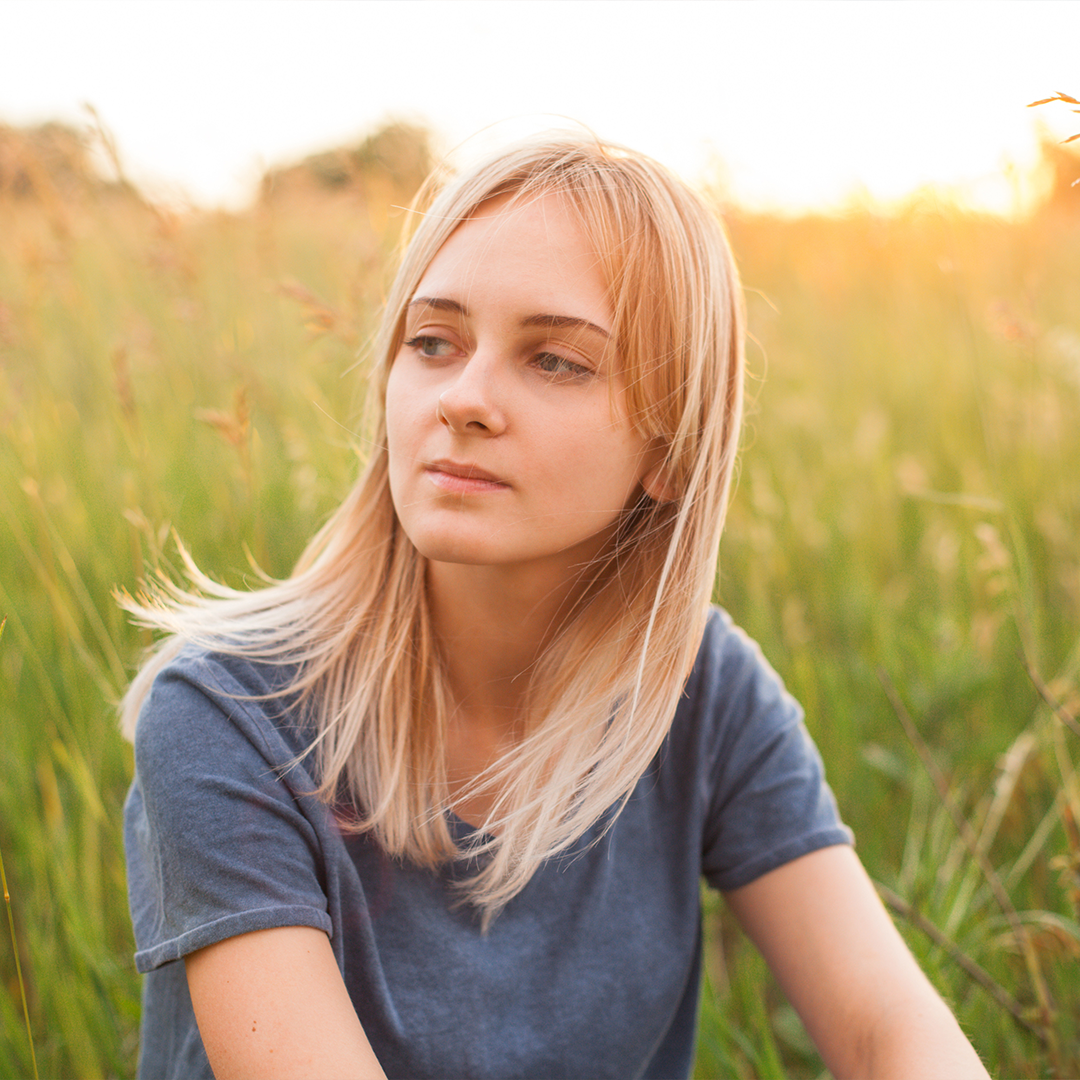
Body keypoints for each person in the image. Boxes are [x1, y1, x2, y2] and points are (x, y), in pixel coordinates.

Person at [121, 134, 988, 1080]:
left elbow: (886, 1034)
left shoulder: (703, 690)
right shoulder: (225, 714)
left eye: (556, 361)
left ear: (671, 449)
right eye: (433, 341)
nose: (465, 398)